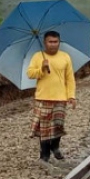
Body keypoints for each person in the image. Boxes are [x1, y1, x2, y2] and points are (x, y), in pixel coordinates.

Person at [26, 30, 76, 166]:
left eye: (56, 42)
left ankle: (56, 147)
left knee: (58, 126)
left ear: (59, 42)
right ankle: (45, 153)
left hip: (61, 97)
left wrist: (71, 95)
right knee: (44, 128)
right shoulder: (38, 56)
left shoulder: (65, 57)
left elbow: (70, 78)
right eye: (50, 42)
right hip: (43, 97)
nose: (53, 45)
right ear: (44, 42)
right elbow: (30, 74)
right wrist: (41, 68)